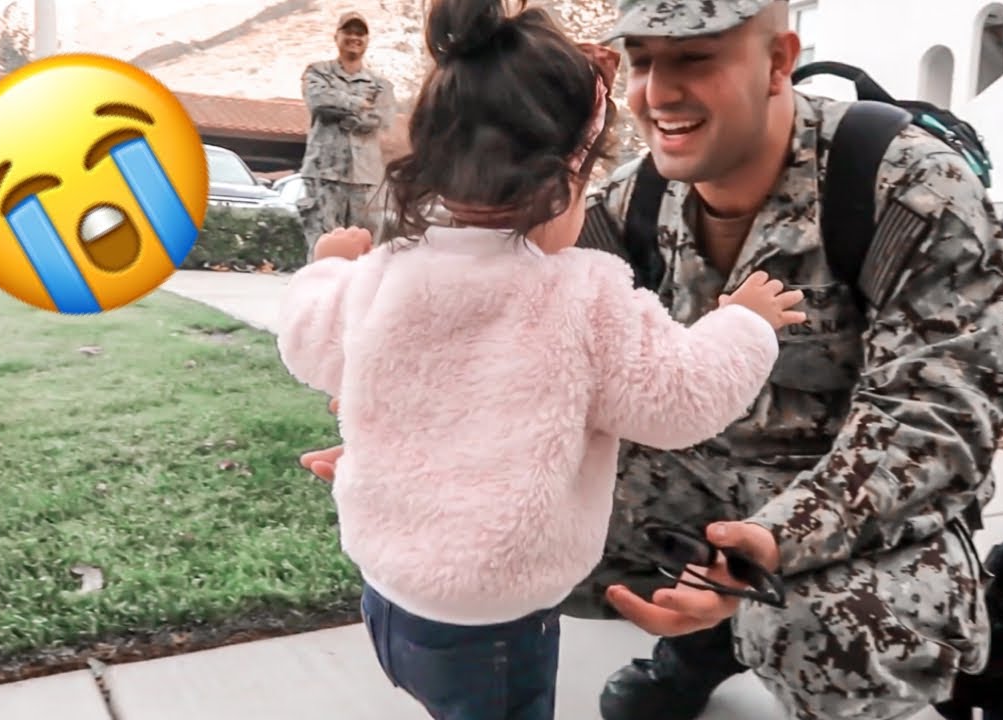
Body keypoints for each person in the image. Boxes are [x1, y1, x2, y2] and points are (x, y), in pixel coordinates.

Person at [273, 0, 811, 716]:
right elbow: (683, 399)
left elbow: (306, 341)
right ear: (564, 179)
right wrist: (744, 322)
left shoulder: (387, 272)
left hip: (388, 600)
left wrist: (326, 266)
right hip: (496, 621)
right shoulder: (582, 295)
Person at [554, 2, 1003, 720]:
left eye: (695, 58)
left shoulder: (908, 187)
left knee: (825, 626)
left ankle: (752, 626)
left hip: (864, 507)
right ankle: (712, 640)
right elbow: (557, 354)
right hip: (702, 477)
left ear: (778, 62)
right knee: (520, 510)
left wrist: (770, 543)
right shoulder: (633, 197)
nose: (658, 92)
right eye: (644, 60)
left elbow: (937, 422)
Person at [298, 10, 396, 252]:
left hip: (365, 179)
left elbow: (381, 118)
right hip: (324, 176)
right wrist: (358, 104)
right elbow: (319, 100)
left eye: (360, 33)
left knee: (365, 252)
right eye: (348, 32)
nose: (354, 37)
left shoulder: (380, 84)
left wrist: (343, 111)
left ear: (367, 40)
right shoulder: (317, 72)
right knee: (323, 250)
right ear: (336, 37)